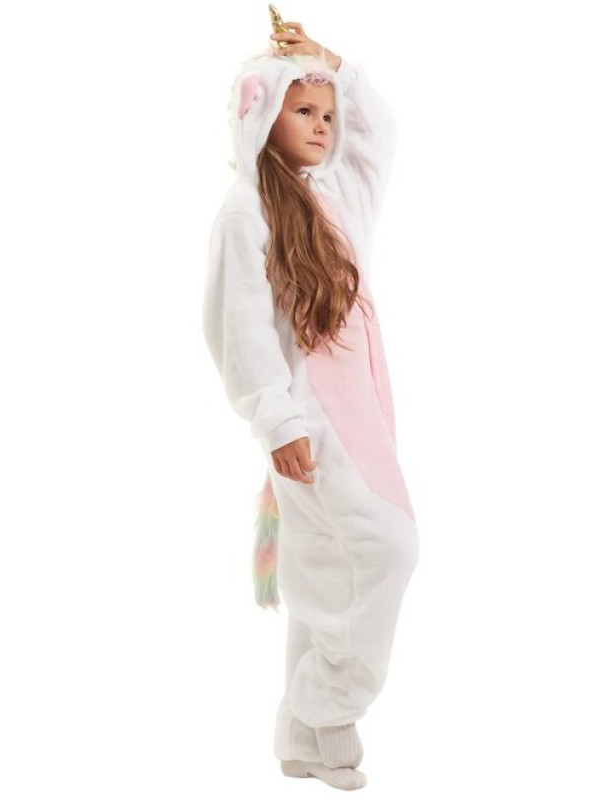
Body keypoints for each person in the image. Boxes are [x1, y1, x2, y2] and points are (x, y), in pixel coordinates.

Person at [202, 20, 418, 792]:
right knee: (388, 547)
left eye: (328, 114)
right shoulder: (247, 211)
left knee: (326, 570)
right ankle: (327, 709)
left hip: (364, 412)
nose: (324, 126)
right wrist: (277, 421)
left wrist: (328, 62)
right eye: (303, 110)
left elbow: (379, 129)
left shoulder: (335, 195)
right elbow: (239, 328)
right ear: (262, 114)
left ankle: (302, 741)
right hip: (313, 423)